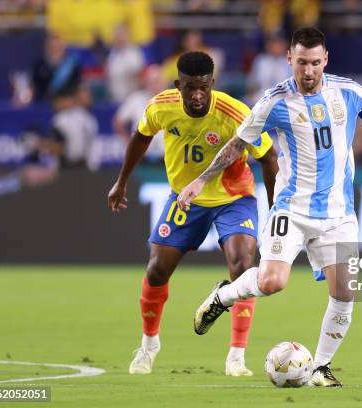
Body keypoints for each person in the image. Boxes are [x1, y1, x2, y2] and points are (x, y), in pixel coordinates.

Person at [178, 27, 362, 387]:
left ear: (325, 60)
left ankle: (321, 366)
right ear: (289, 60)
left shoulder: (349, 92)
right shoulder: (274, 101)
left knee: (345, 291)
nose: (308, 71)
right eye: (301, 63)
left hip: (339, 214)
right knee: (272, 281)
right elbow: (238, 144)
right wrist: (201, 179)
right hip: (292, 209)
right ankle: (223, 296)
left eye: (314, 63)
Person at [107, 51, 279, 376]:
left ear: (212, 83)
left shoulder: (235, 112)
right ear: (178, 85)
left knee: (244, 267)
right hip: (185, 199)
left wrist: (274, 209)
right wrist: (121, 182)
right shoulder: (161, 106)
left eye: (203, 87)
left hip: (234, 198)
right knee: (157, 270)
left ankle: (236, 358)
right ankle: (148, 345)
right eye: (190, 88)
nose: (197, 94)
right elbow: (141, 137)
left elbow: (269, 157)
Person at [113, 65, 167, 163]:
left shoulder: (175, 99)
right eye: (153, 81)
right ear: (146, 83)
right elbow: (118, 121)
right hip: (142, 156)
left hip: (167, 156)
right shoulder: (136, 99)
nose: (156, 84)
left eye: (159, 80)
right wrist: (128, 143)